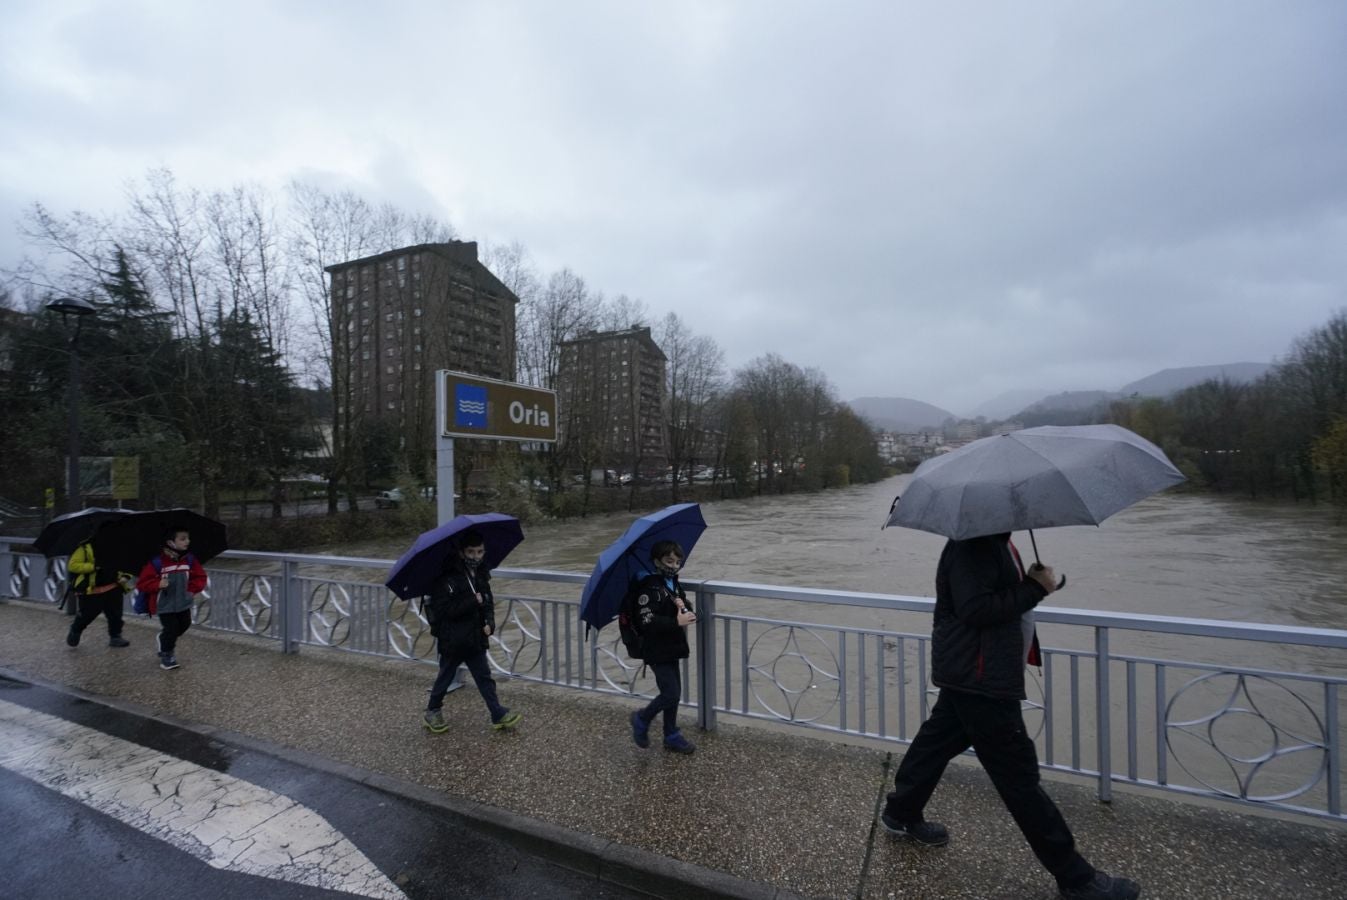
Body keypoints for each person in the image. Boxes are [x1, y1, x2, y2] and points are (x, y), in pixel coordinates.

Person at [880, 533, 1141, 900]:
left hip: (972, 671)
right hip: (981, 678)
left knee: (935, 743)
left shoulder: (994, 540)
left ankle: (901, 812)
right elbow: (975, 609)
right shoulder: (975, 545)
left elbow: (990, 597)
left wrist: (1031, 581)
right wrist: (1034, 587)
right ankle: (1076, 877)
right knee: (1019, 777)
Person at [422, 530, 521, 733]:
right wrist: (471, 601)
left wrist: (490, 623)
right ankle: (433, 710)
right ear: (461, 553)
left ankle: (497, 713)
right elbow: (444, 611)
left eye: (480, 552)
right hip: (453, 639)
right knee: (446, 676)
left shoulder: (481, 574)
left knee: (484, 677)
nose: (476, 557)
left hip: (475, 637)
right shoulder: (446, 578)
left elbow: (487, 602)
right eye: (471, 552)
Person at [627, 540, 698, 754]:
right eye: (669, 561)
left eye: (678, 562)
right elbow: (646, 621)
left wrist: (684, 608)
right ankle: (642, 718)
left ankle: (671, 735)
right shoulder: (649, 587)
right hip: (656, 649)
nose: (674, 566)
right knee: (671, 694)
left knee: (673, 693)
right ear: (656, 561)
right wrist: (676, 622)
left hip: (673, 646)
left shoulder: (672, 583)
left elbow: (684, 605)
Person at [135, 528, 208, 671]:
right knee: (171, 628)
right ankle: (167, 655)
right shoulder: (157, 562)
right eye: (182, 538)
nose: (187, 541)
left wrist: (191, 591)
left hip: (183, 602)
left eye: (188, 538)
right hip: (164, 604)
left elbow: (200, 577)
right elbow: (142, 583)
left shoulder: (190, 559)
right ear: (171, 542)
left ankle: (164, 638)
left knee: (185, 624)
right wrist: (157, 584)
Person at [65, 536, 132, 649]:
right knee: (87, 615)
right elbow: (73, 565)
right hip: (92, 590)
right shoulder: (84, 548)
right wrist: (93, 567)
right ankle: (76, 630)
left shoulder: (118, 547)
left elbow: (126, 563)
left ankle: (115, 636)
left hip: (114, 587)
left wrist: (126, 576)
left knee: (115, 615)